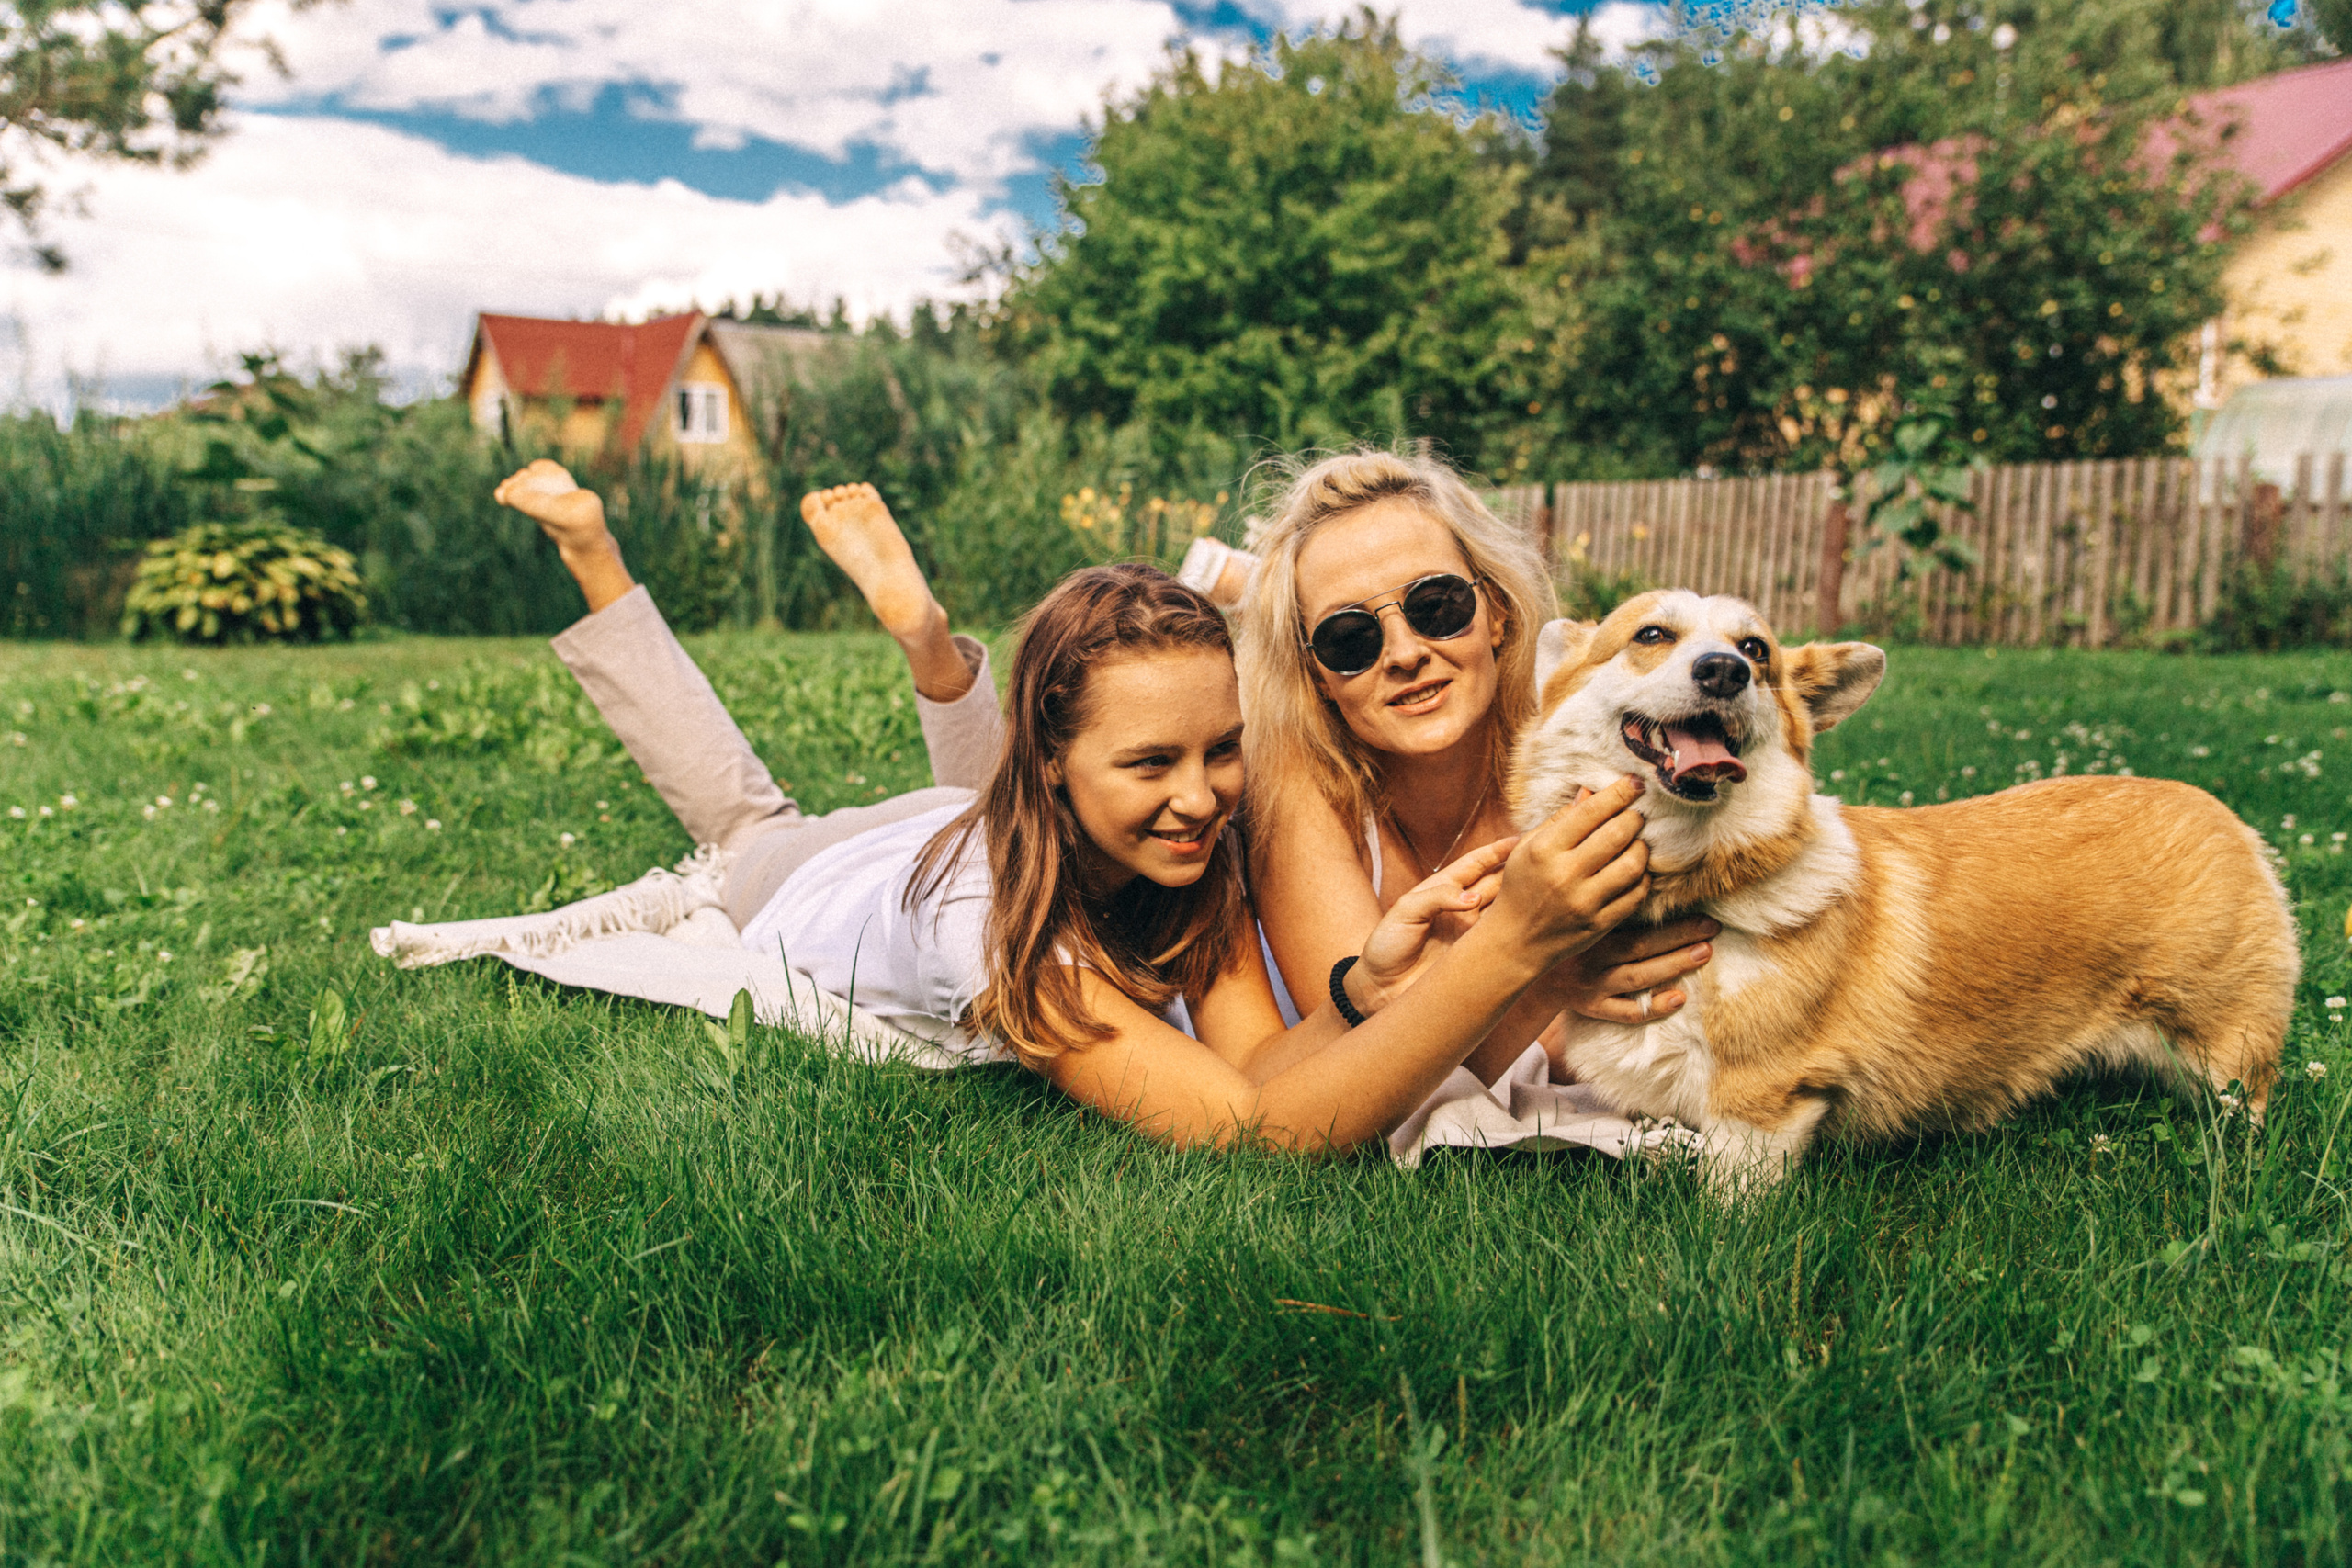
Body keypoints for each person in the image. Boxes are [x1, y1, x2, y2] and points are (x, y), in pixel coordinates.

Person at [470, 460, 1659, 1152]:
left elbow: (1268, 1065)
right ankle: (599, 559)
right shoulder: (1012, 955)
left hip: (996, 820)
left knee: (989, 803)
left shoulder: (1187, 858)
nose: (1205, 803)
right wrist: (1508, 950)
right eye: (1157, 765)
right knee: (740, 818)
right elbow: (1249, 1132)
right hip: (825, 880)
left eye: (1223, 753)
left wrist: (1359, 989)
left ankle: (938, 654)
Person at [1234, 448, 1720, 1088]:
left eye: (1436, 606)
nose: (1406, 653)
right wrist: (1551, 975)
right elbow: (1374, 1066)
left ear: (1499, 612)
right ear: (1317, 677)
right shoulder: (1295, 778)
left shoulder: (1591, 755)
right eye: (1349, 638)